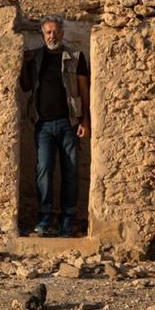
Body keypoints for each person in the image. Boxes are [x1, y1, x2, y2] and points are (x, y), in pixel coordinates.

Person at [19, 15, 90, 237]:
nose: (53, 35)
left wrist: (85, 120)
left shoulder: (75, 57)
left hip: (69, 124)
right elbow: (25, 86)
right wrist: (23, 63)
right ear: (42, 35)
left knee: (70, 172)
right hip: (43, 126)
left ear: (63, 33)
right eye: (48, 32)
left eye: (56, 31)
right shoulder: (36, 57)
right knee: (43, 170)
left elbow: (84, 91)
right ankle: (45, 218)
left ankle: (68, 220)